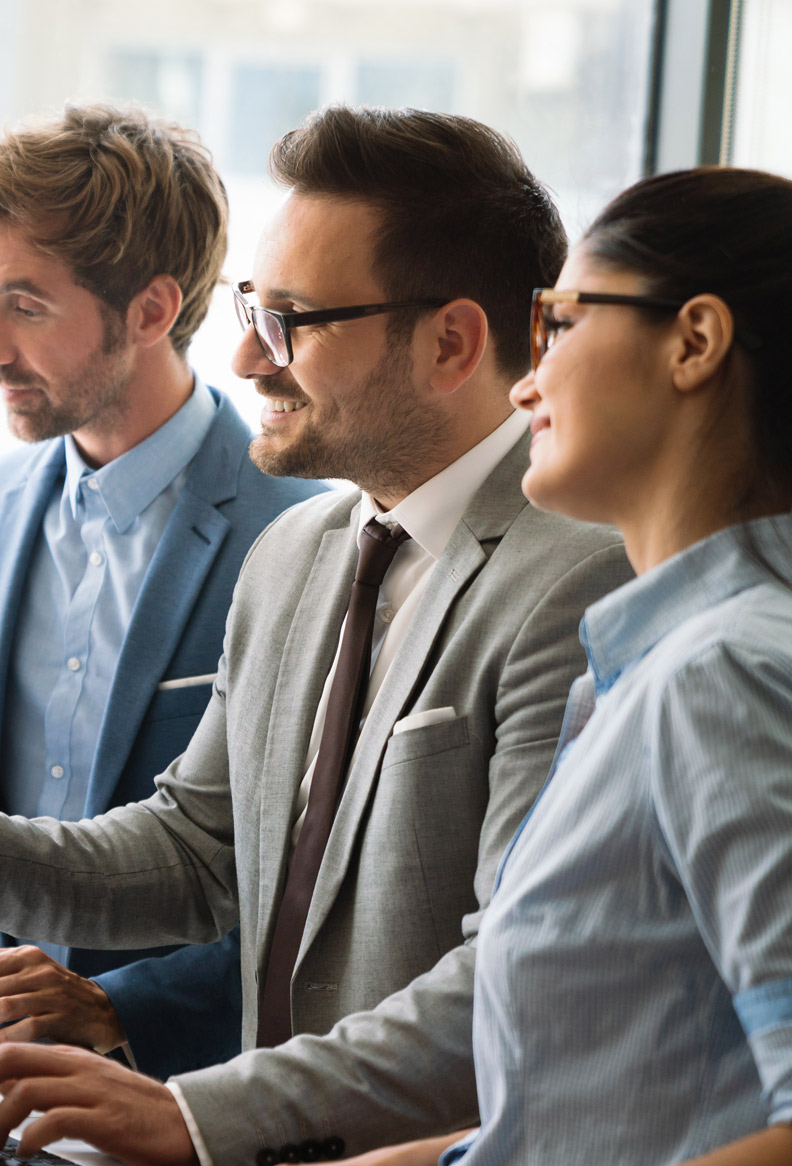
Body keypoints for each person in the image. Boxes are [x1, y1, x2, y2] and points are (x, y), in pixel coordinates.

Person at [0, 106, 635, 1164]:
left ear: (448, 343)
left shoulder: (581, 579)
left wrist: (195, 1112)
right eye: (253, 307)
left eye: (290, 318)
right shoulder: (299, 550)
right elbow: (194, 848)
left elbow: (511, 980)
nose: (246, 356)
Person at [0, 104, 325, 1081]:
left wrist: (111, 1009)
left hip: (196, 1088)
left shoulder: (302, 531)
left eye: (25, 305)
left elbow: (312, 888)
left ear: (150, 311)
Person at [343, 167, 792, 1166]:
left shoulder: (724, 674)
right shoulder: (648, 671)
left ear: (692, 342)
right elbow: (608, 1111)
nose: (522, 379)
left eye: (556, 322)